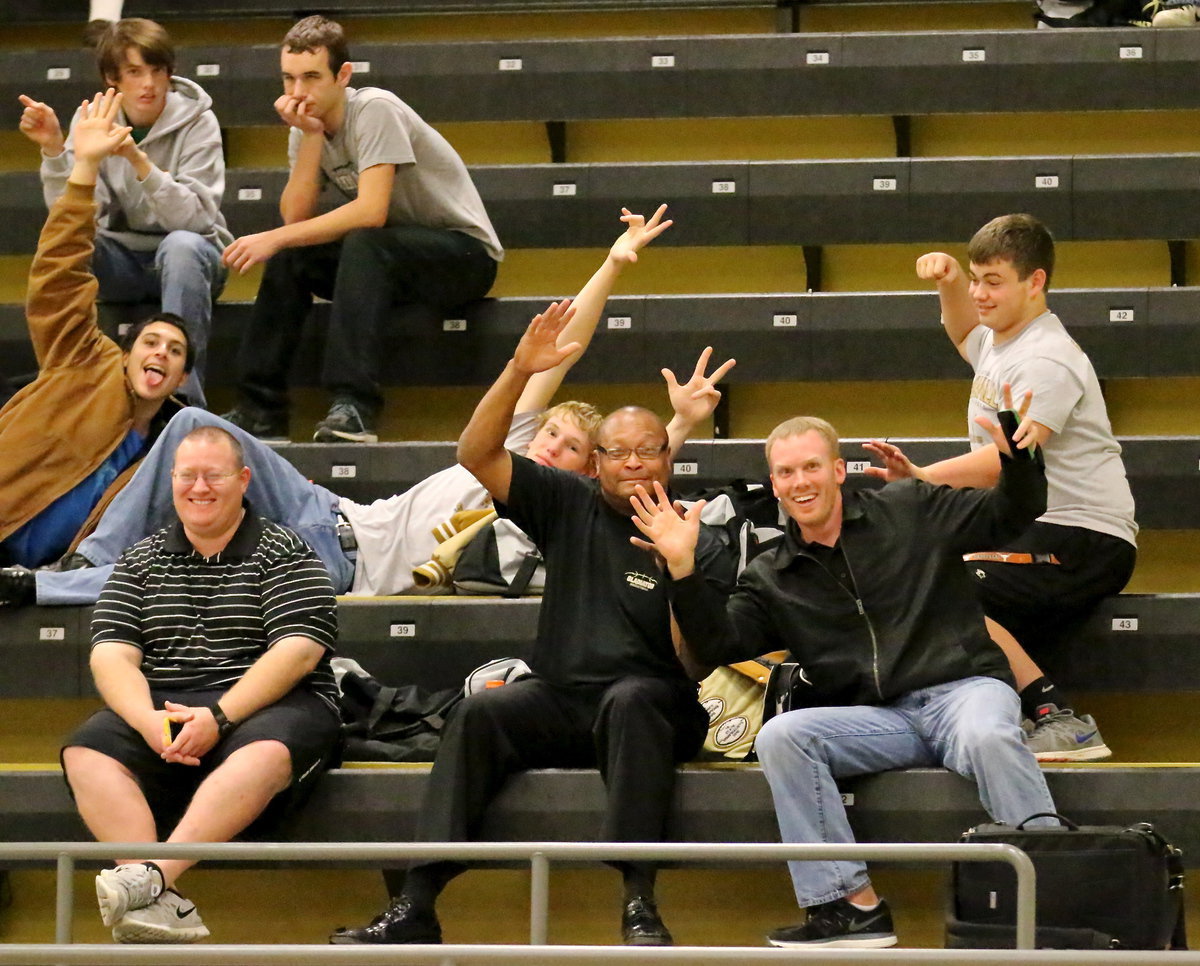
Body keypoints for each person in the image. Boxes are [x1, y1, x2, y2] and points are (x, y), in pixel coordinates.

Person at [13, 207, 731, 606]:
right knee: (196, 428)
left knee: (189, 570)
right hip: (329, 512)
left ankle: (44, 587)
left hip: (335, 564)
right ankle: (81, 563)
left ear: (584, 470)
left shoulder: (553, 505)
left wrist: (680, 427)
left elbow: (633, 476)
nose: (550, 448)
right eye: (550, 433)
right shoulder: (507, 448)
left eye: (570, 449)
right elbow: (562, 348)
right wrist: (612, 263)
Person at [328, 307, 737, 948]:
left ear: (669, 459)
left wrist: (679, 569)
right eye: (618, 452)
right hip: (563, 699)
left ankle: (639, 900)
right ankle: (418, 902)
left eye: (648, 451)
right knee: (481, 712)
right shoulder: (566, 501)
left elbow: (703, 661)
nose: (633, 463)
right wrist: (519, 370)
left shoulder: (697, 533)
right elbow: (475, 452)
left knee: (632, 699)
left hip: (656, 707)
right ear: (595, 462)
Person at [630, 398, 1058, 948]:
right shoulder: (771, 575)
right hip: (878, 719)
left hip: (962, 691)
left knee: (987, 734)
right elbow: (717, 646)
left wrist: (1019, 462)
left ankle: (1057, 891)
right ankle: (850, 907)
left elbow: (1011, 512)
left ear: (838, 470)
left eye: (811, 466)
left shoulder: (909, 507)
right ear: (774, 485)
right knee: (784, 736)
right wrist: (683, 569)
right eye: (787, 472)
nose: (800, 482)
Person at [866, 214, 1136, 761]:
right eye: (975, 279)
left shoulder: (1048, 359)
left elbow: (1010, 460)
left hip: (1082, 538)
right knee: (908, 566)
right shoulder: (1000, 337)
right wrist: (948, 284)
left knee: (946, 582)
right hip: (1029, 526)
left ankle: (1056, 716)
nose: (979, 294)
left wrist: (923, 478)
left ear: (1035, 282)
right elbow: (964, 332)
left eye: (993, 282)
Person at [60, 424, 340, 944]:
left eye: (214, 476)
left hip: (268, 706)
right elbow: (111, 654)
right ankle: (156, 898)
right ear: (171, 481)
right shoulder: (139, 560)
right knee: (85, 751)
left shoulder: (287, 551)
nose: (199, 488)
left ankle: (153, 877)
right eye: (187, 476)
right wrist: (147, 721)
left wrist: (220, 717)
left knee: (266, 753)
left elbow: (300, 649)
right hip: (165, 707)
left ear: (244, 480)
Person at [221, 14, 502, 444]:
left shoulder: (374, 110)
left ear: (343, 75)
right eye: (289, 79)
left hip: (464, 256)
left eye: (311, 77)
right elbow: (295, 218)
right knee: (293, 254)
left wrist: (271, 237)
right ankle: (261, 409)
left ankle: (354, 406)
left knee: (363, 241)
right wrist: (310, 137)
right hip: (391, 261)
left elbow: (371, 211)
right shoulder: (307, 123)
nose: (297, 92)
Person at [0, 89, 190, 584]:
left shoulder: (170, 448)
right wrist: (83, 167)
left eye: (174, 351)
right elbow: (58, 278)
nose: (161, 353)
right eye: (151, 343)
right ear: (125, 354)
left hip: (49, 579)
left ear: (181, 378)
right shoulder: (85, 361)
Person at [18, 18, 230, 407]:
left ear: (169, 73)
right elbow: (78, 219)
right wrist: (54, 149)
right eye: (134, 72)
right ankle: (65, 391)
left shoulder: (199, 120)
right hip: (122, 259)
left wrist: (139, 161)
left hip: (193, 258)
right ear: (112, 79)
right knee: (66, 248)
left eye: (157, 71)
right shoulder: (92, 120)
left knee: (181, 247)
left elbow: (196, 219)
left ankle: (181, 402)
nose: (148, 84)